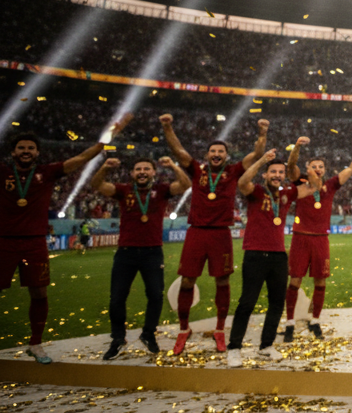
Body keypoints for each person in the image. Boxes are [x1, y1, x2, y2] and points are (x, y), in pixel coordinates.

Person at [1, 115, 131, 364]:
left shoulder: (46, 173)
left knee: (39, 293)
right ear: (13, 152)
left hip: (35, 242)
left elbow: (81, 158)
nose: (26, 151)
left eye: (30, 148)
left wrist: (111, 134)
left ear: (37, 152)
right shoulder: (2, 172)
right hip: (3, 241)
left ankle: (36, 344)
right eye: (21, 148)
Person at [162, 114, 268, 355]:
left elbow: (255, 155)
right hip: (196, 233)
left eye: (221, 151)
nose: (217, 154)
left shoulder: (232, 171)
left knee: (223, 280)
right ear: (207, 155)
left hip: (221, 234)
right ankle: (183, 329)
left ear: (226, 156)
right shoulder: (197, 171)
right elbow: (178, 151)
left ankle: (220, 330)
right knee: (188, 280)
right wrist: (167, 126)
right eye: (213, 152)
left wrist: (262, 134)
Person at [90, 154, 191, 359]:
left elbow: (185, 183)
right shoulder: (123, 190)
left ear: (153, 172)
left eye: (146, 169)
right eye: (138, 169)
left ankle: (148, 334)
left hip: (152, 252)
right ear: (132, 173)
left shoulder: (161, 191)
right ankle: (118, 338)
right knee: (117, 298)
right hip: (126, 252)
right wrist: (105, 167)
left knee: (155, 295)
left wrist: (172, 164)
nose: (142, 172)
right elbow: (97, 183)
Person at [283, 137, 352, 342]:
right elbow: (290, 165)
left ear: (325, 170)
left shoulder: (331, 185)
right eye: (314, 166)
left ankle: (315, 320)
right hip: (301, 238)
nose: (318, 169)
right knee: (295, 280)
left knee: (320, 282)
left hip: (321, 239)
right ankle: (290, 322)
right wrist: (298, 147)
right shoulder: (300, 182)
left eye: (321, 166)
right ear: (308, 168)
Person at [226, 148, 302, 367]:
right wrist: (261, 160)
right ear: (266, 175)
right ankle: (234, 348)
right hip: (255, 254)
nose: (277, 175)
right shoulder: (256, 191)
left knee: (277, 303)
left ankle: (266, 346)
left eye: (280, 172)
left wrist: (296, 152)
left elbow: (306, 182)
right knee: (247, 302)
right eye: (273, 172)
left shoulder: (287, 193)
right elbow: (242, 182)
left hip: (278, 255)